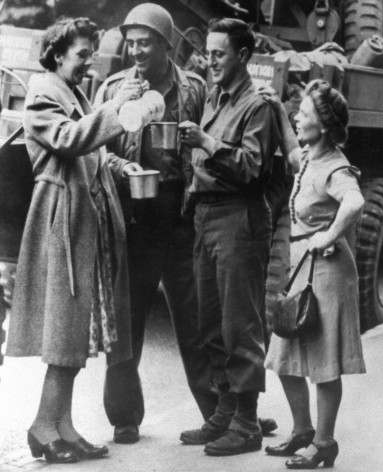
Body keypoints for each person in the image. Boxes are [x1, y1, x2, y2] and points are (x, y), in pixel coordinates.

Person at [6, 17, 142, 462]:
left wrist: (125, 169)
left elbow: (95, 156)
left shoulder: (75, 93)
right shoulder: (45, 92)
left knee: (78, 332)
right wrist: (118, 109)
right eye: (82, 55)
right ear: (58, 53)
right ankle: (43, 427)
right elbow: (69, 141)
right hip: (63, 220)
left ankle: (63, 425)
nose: (89, 63)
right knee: (65, 331)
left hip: (84, 222)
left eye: (90, 55)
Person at [94, 3, 218, 445]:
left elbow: (211, 144)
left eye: (145, 42)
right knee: (126, 322)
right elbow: (95, 149)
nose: (136, 50)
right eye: (131, 42)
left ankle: (215, 412)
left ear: (167, 45)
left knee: (197, 317)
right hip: (131, 217)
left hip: (181, 216)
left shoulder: (195, 90)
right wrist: (122, 166)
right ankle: (125, 417)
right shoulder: (113, 88)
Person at [178, 18, 279, 456]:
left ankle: (246, 422)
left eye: (219, 53)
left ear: (242, 56)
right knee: (210, 321)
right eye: (209, 52)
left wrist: (205, 143)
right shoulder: (215, 98)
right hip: (206, 216)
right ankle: (223, 410)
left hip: (238, 217)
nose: (211, 60)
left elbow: (251, 167)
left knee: (241, 324)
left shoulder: (257, 105)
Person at [264, 79, 366, 470]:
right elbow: (292, 151)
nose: (297, 117)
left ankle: (324, 444)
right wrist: (276, 108)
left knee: (323, 363)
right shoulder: (309, 157)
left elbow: (354, 202)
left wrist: (328, 234)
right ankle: (303, 431)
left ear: (322, 125)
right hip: (302, 266)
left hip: (327, 271)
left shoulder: (336, 166)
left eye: (303, 114)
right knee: (285, 350)